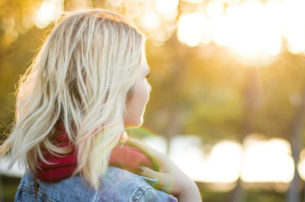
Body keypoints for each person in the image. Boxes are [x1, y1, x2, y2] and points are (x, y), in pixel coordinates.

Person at [0, 9, 201, 201]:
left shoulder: (37, 171)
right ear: (117, 87)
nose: (149, 87)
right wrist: (188, 190)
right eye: (144, 76)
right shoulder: (130, 192)